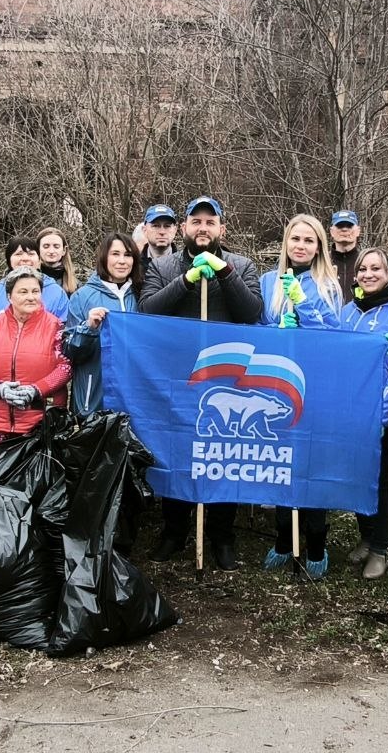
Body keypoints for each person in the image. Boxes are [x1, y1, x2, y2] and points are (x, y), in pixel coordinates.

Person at [139, 195, 263, 571]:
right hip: (178, 378)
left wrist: (225, 273)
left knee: (223, 455)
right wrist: (187, 280)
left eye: (210, 222)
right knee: (178, 451)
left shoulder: (243, 265)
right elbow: (147, 310)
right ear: (184, 228)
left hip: (227, 378)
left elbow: (252, 312)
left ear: (222, 228)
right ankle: (174, 530)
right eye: (196, 222)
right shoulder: (162, 266)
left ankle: (222, 535)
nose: (203, 228)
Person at [256, 214, 341, 580]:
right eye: (295, 239)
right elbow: (258, 329)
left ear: (319, 246)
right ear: (286, 243)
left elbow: (335, 336)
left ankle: (317, 541)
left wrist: (303, 304)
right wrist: (276, 330)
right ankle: (282, 538)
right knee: (281, 462)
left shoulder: (329, 284)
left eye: (309, 240)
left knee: (311, 462)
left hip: (315, 387)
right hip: (278, 384)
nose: (301, 246)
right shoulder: (268, 281)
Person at [338, 247, 388, 581]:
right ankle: (366, 536)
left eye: (375, 269)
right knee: (358, 477)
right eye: (363, 269)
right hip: (351, 412)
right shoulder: (348, 311)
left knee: (382, 480)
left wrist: (382, 411)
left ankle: (381, 548)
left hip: (385, 413)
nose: (368, 275)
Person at [0, 268, 72, 454]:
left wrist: (36, 390)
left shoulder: (55, 326)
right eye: (23, 292)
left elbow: (65, 367)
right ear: (9, 296)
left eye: (35, 291)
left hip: (41, 421)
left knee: (39, 472)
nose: (31, 297)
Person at [64, 232, 143, 415]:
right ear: (104, 257)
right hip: (94, 399)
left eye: (128, 255)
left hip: (135, 398)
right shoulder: (82, 296)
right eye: (115, 254)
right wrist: (88, 328)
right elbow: (69, 352)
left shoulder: (142, 294)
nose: (122, 261)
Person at [0, 236, 68, 333]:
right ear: (9, 260)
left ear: (39, 259)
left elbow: (66, 328)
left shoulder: (56, 292)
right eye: (18, 254)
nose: (25, 259)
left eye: (31, 254)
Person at [328, 210, 362, 303]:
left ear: (358, 231)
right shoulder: (322, 262)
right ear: (331, 231)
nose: (344, 229)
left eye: (349, 226)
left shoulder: (366, 262)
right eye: (339, 226)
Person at [38, 227, 79, 295]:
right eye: (46, 246)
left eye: (56, 247)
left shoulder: (75, 285)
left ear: (64, 250)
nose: (51, 251)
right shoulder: (29, 278)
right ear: (38, 249)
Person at [139, 203, 178, 273]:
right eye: (156, 226)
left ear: (175, 230)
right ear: (144, 230)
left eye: (167, 226)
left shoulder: (186, 265)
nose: (162, 232)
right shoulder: (133, 266)